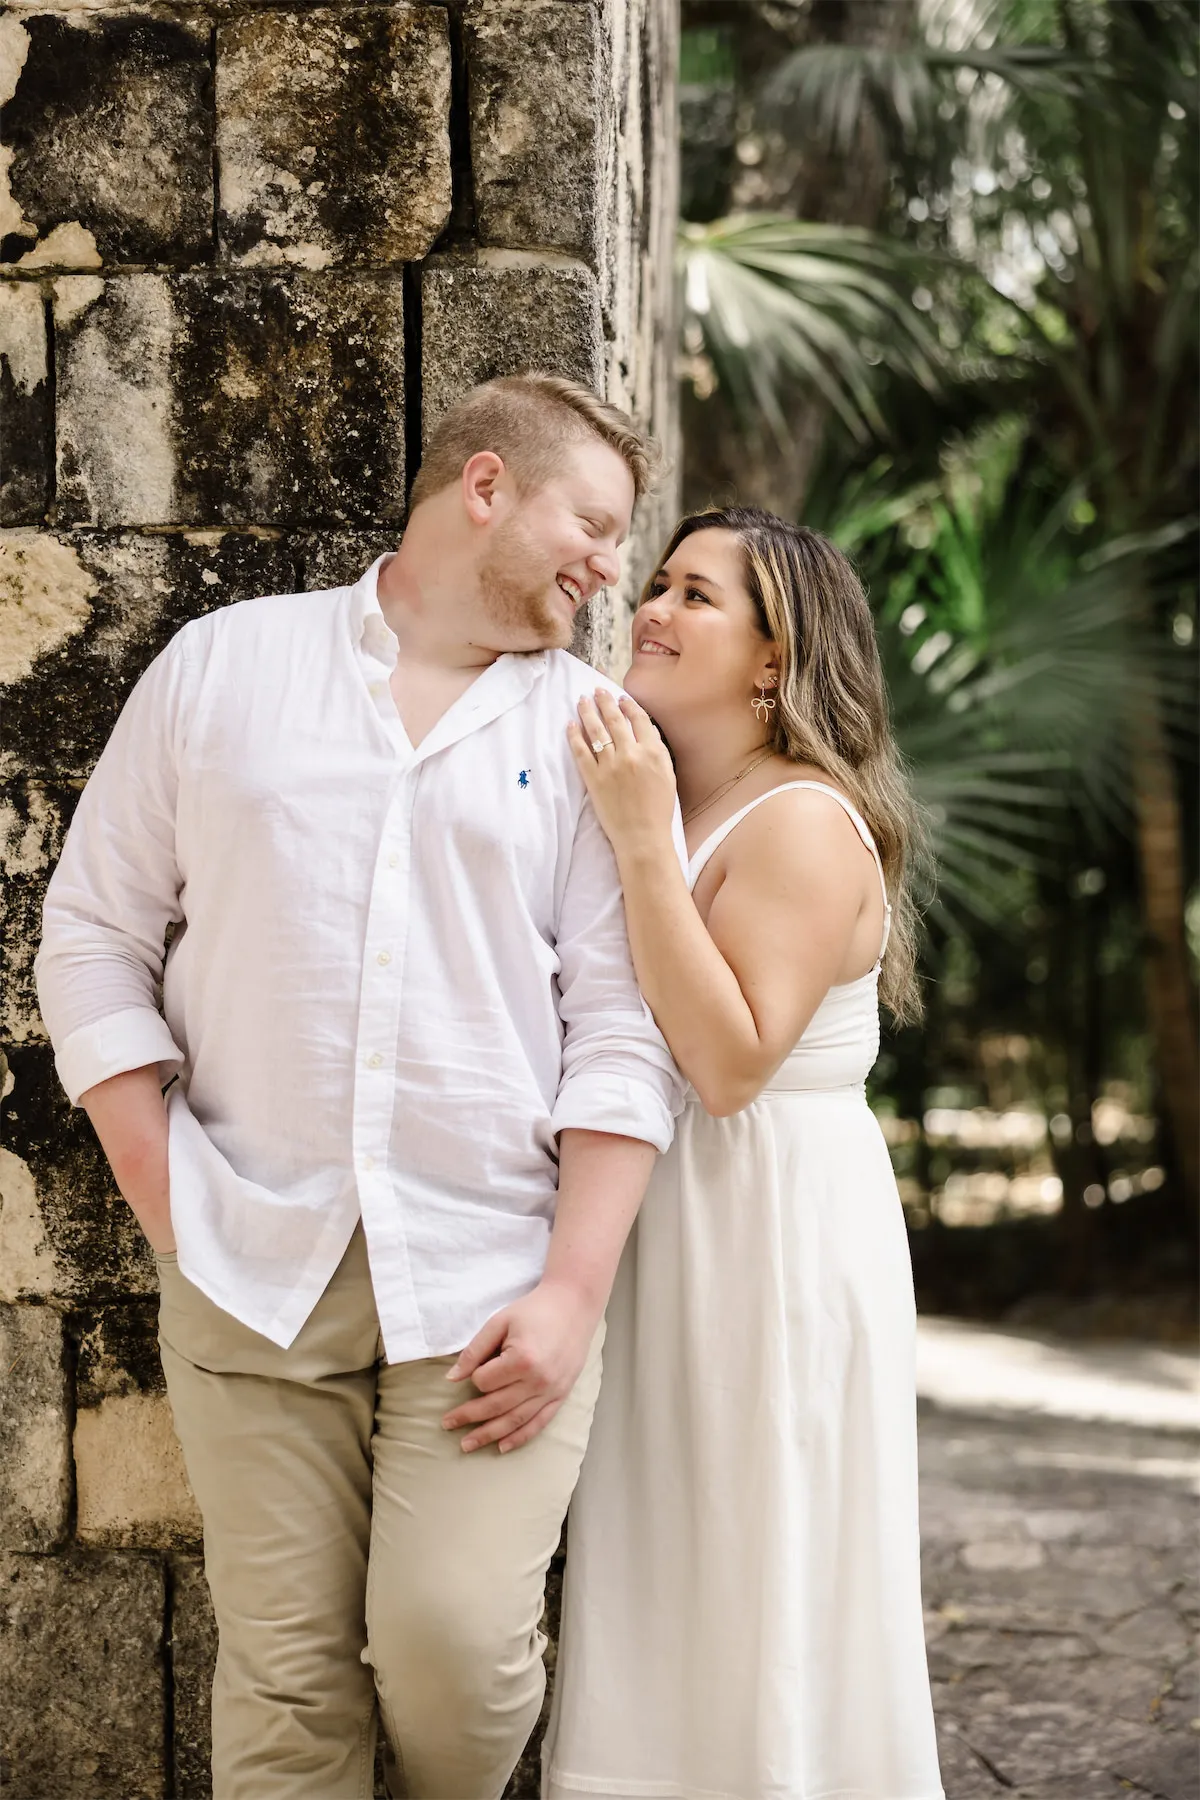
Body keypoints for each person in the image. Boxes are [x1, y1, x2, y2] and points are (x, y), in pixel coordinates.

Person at [34, 374, 685, 1800]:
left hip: (491, 1278)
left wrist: (575, 1291)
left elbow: (624, 1027)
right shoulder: (223, 667)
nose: (607, 565)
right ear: (488, 485)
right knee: (282, 1680)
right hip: (247, 1257)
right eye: (593, 520)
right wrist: (159, 1183)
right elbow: (91, 933)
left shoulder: (591, 733)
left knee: (452, 1649)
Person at [543, 506, 944, 1799]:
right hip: (680, 1227)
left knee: (754, 1561)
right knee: (665, 1562)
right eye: (656, 584)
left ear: (776, 660)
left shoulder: (800, 826)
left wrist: (643, 839)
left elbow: (726, 1066)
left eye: (696, 596)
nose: (652, 609)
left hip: (766, 1233)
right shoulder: (688, 797)